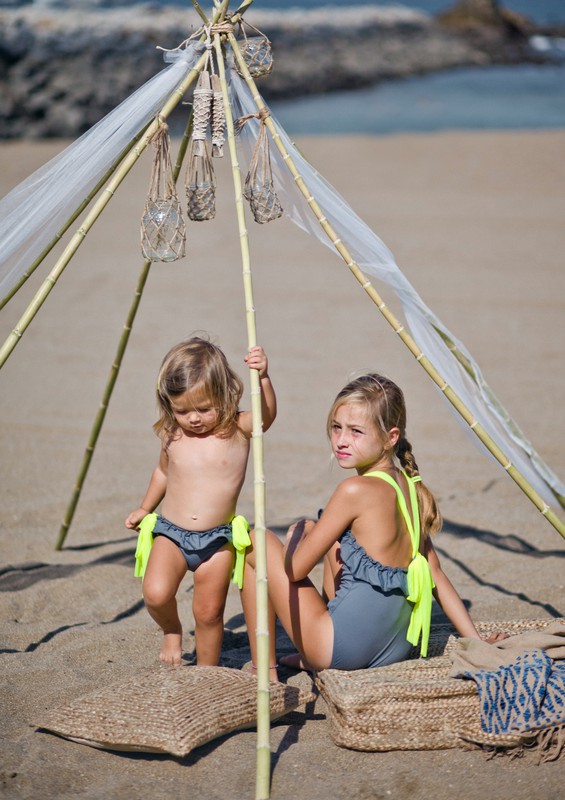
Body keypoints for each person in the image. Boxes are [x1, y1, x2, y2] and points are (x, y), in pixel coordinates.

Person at [240, 373, 506, 673]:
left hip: (340, 649)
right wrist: (476, 640)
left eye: (355, 431)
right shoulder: (409, 485)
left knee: (252, 540)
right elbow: (435, 575)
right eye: (336, 427)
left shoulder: (353, 491)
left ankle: (266, 667)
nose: (341, 440)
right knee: (328, 533)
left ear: (390, 437)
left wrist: (296, 534)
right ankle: (316, 647)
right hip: (394, 648)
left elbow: (295, 570)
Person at [125, 336, 277, 670]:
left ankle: (205, 672)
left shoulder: (236, 427)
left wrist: (263, 378)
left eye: (204, 408)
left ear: (223, 396)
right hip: (171, 533)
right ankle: (172, 630)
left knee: (209, 613)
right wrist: (145, 507)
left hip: (217, 540)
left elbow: (265, 418)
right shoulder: (172, 434)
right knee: (155, 592)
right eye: (182, 410)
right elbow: (163, 473)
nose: (193, 419)